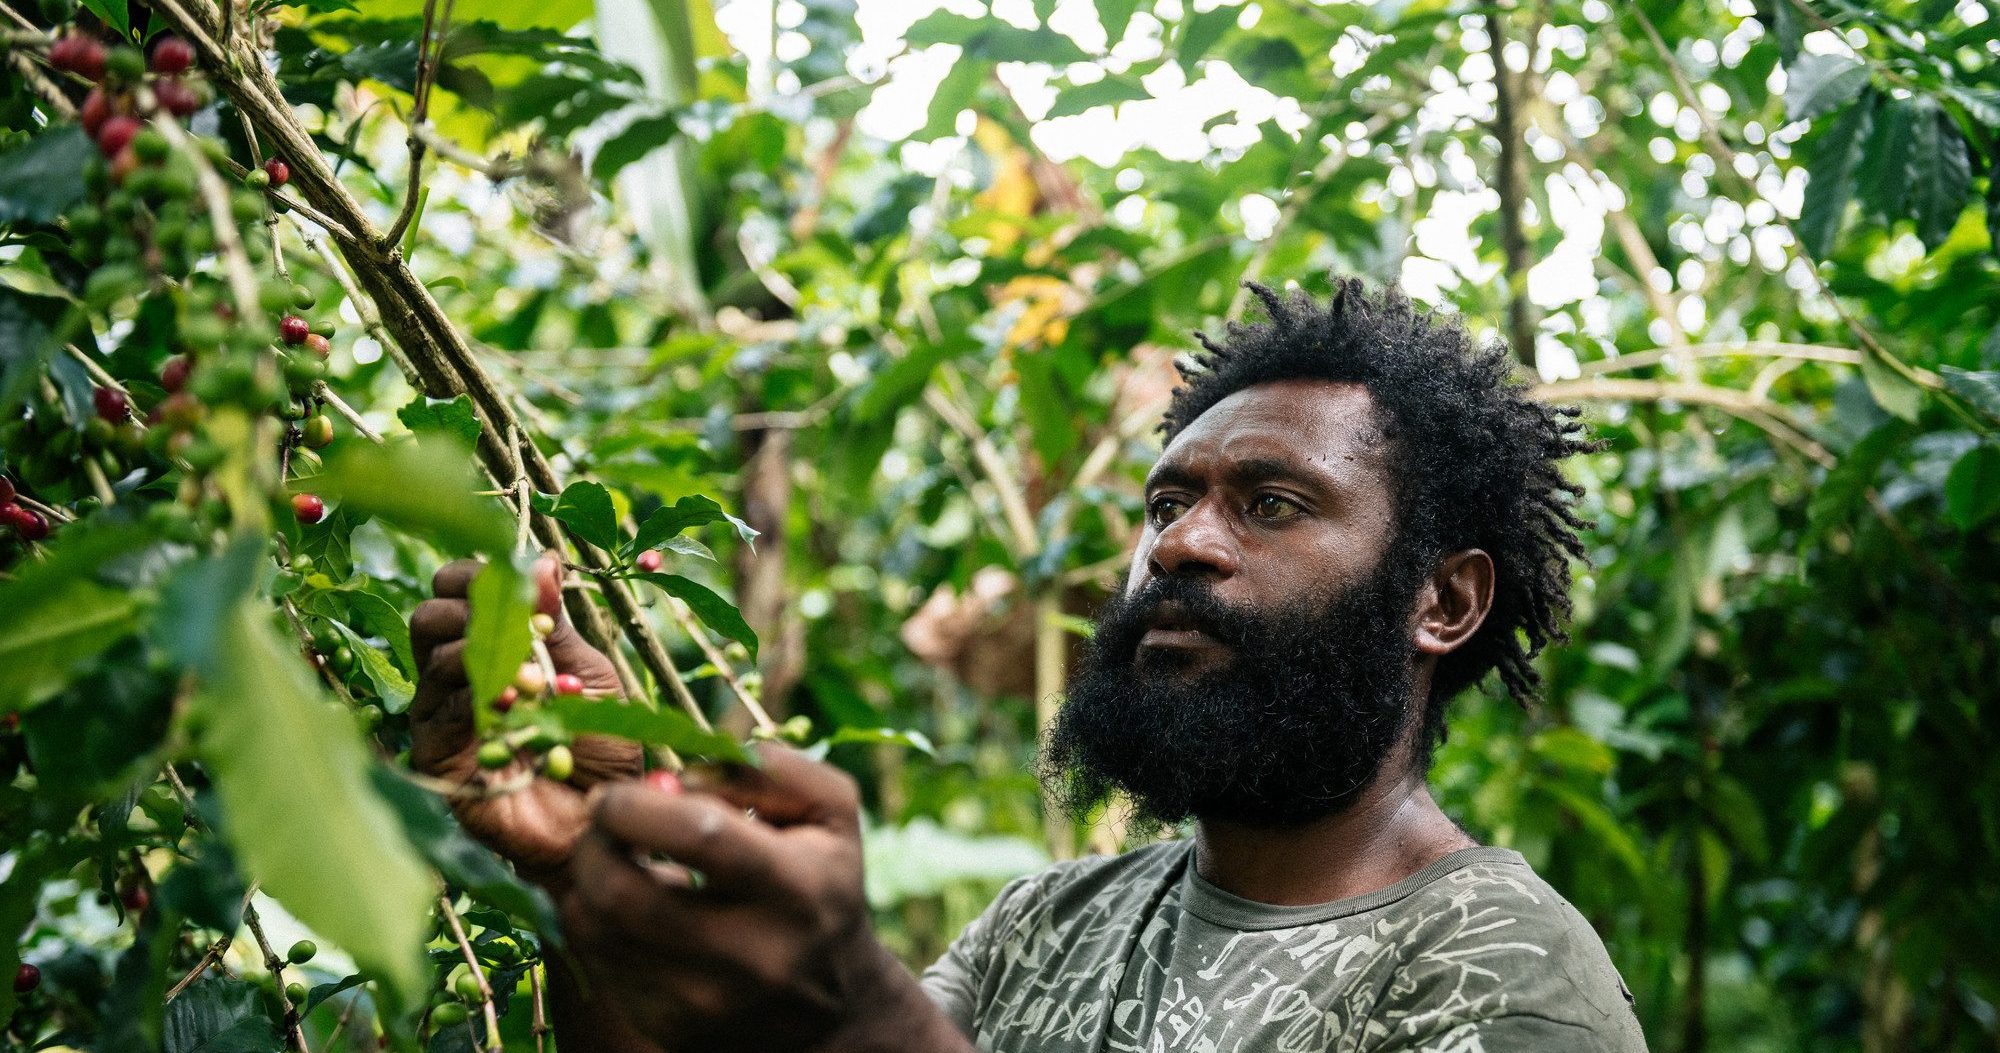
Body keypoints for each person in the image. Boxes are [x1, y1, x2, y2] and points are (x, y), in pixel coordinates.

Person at [408, 278, 1650, 1052]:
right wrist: (581, 872)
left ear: (1442, 600)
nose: (1183, 547)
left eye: (1271, 505)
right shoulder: (1050, 922)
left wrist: (859, 1018)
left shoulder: (1500, 973)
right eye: (1168, 503)